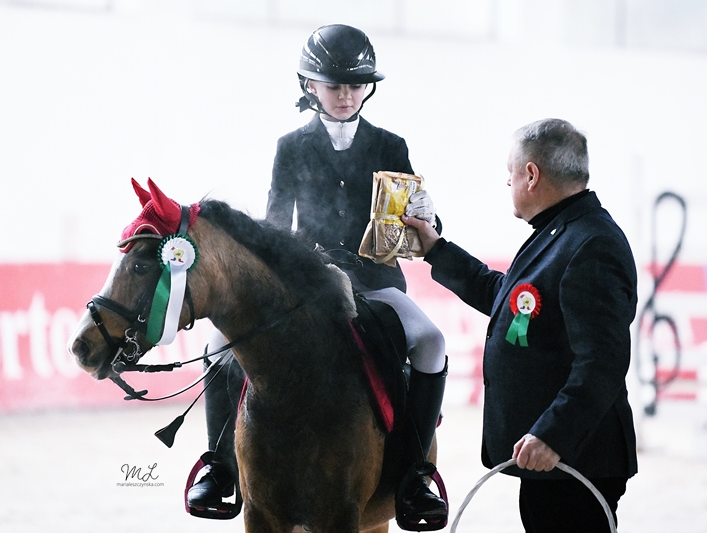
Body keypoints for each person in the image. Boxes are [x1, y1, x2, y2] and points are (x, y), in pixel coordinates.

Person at [186, 24, 450, 529]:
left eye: (355, 85)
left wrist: (427, 216)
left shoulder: (391, 145)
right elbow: (273, 228)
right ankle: (219, 468)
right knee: (217, 346)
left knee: (431, 341)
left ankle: (417, 473)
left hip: (376, 283)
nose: (346, 95)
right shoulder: (291, 146)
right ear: (310, 85)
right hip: (308, 288)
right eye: (334, 85)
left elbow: (418, 223)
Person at [402, 118, 638, 532]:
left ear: (531, 175)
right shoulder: (562, 230)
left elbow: (603, 362)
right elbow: (508, 298)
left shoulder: (592, 243)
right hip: (552, 461)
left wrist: (554, 435)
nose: (507, 183)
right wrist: (436, 250)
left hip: (573, 458)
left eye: (509, 173)